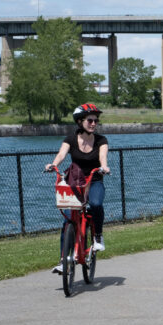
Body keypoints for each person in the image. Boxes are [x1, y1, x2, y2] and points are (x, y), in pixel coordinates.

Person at [45, 103, 109, 273]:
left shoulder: (101, 140)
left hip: (94, 180)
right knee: (68, 221)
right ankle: (62, 261)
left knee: (95, 204)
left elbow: (103, 157)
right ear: (80, 121)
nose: (94, 123)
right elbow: (61, 154)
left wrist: (104, 167)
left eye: (96, 120)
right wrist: (53, 164)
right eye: (90, 120)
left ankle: (97, 236)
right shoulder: (71, 139)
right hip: (75, 182)